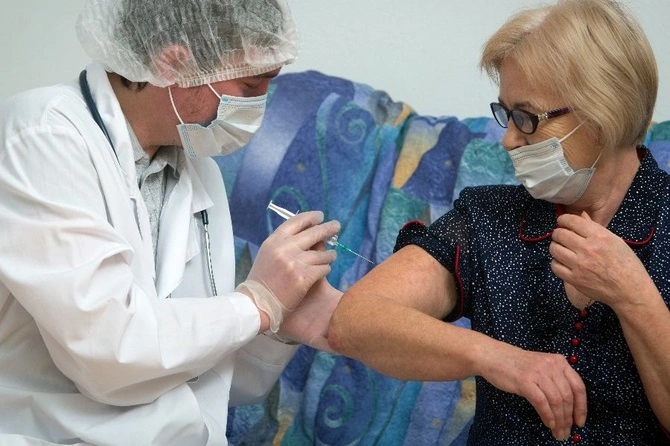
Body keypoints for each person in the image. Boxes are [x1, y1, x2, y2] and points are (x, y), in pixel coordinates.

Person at [0, 0, 344, 444]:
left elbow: (197, 378)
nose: (260, 103)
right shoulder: (43, 135)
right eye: (251, 83)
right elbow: (111, 355)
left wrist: (277, 327)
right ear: (173, 64)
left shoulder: (198, 172)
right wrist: (256, 304)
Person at [328, 0, 670, 444]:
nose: (508, 140)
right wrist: (497, 358)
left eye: (526, 118)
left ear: (604, 112)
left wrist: (635, 297)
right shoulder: (488, 218)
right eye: (506, 114)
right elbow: (354, 321)